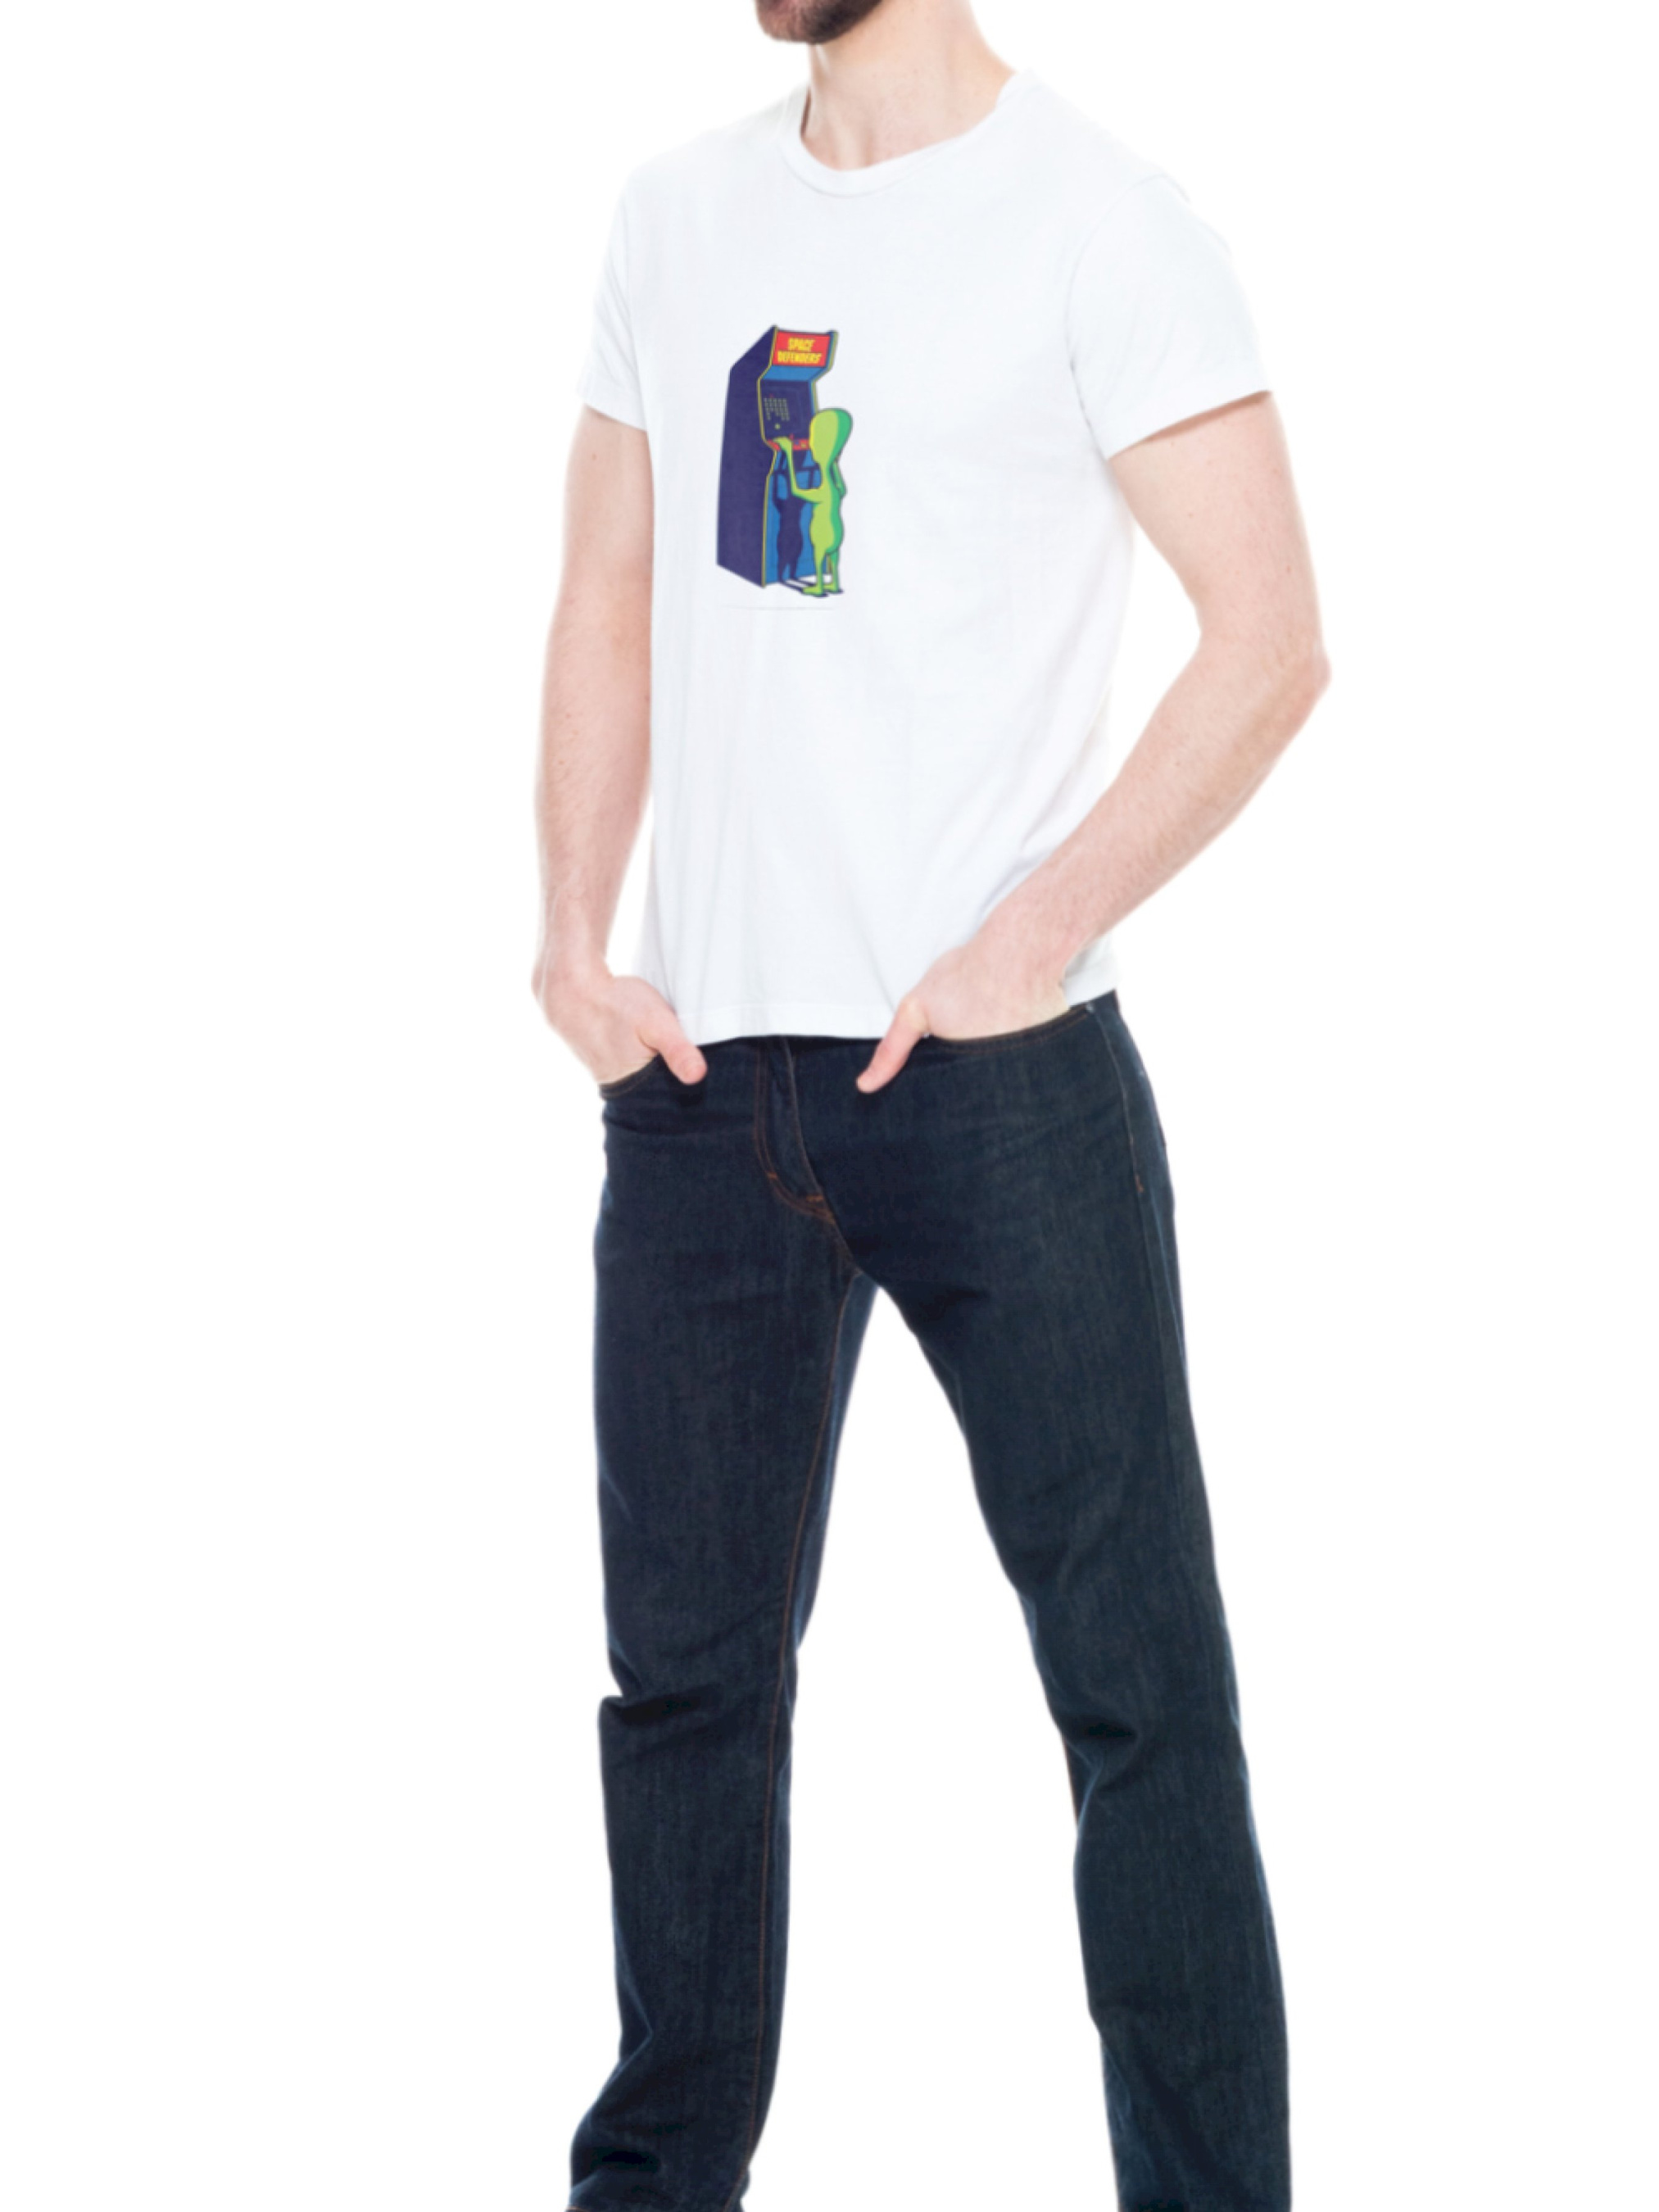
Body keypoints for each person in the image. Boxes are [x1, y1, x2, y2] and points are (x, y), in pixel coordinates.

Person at [533, 0, 1329, 2205]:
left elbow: (1269, 634)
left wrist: (1032, 929)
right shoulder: (674, 216)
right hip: (701, 1094)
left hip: (1002, 1087)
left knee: (1137, 1695)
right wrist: (574, 940)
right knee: (684, 1704)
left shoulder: (1100, 221)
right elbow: (608, 586)